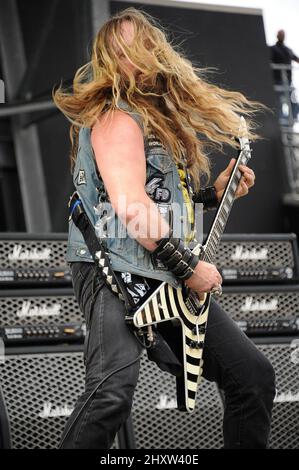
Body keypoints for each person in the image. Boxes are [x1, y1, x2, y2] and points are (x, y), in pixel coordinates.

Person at [53, 7, 275, 449]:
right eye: (117, 52)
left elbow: (155, 201)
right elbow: (131, 207)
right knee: (110, 392)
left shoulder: (152, 120)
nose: (130, 59)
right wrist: (191, 268)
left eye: (137, 47)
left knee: (251, 375)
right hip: (112, 267)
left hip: (158, 270)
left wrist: (212, 194)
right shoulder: (116, 118)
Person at [270, 29, 299, 121]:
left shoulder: (288, 50)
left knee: (293, 103)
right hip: (277, 80)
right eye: (280, 34)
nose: (282, 36)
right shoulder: (273, 49)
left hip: (288, 81)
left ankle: (290, 120)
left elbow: (296, 59)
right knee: (278, 103)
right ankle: (281, 120)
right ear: (277, 36)